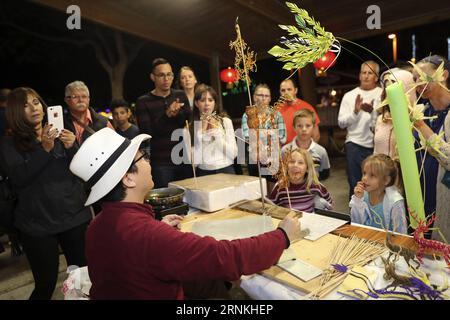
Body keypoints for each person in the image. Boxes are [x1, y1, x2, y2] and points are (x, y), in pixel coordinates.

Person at [69, 127, 301, 300]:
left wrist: (157, 226)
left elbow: (134, 254)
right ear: (128, 178)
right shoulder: (149, 235)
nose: (150, 162)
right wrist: (282, 236)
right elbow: (225, 257)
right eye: (144, 158)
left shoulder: (97, 225)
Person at [0, 87, 91, 299]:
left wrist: (71, 147)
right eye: (25, 105)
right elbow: (19, 178)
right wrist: (44, 149)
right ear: (14, 112)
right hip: (38, 225)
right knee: (46, 283)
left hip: (73, 216)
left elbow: (82, 171)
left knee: (80, 280)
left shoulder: (60, 132)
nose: (34, 108)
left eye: (36, 102)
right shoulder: (8, 144)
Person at [136, 58, 192, 188]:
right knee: (166, 201)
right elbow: (147, 133)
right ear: (152, 77)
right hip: (161, 162)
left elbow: (186, 121)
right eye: (161, 75)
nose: (166, 79)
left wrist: (177, 113)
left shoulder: (180, 95)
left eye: (169, 74)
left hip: (182, 157)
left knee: (189, 198)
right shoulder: (143, 101)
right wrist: (166, 115)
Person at [412, 55, 450, 241]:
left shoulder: (420, 120)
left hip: (444, 200)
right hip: (421, 200)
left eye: (422, 76)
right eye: (414, 78)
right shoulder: (422, 112)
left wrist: (420, 126)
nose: (417, 83)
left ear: (443, 74)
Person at [338, 60, 383, 199]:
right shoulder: (350, 95)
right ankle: (356, 216)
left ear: (376, 77)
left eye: (370, 73)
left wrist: (373, 112)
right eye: (364, 72)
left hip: (376, 146)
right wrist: (355, 112)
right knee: (356, 184)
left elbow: (387, 120)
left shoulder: (382, 94)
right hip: (354, 144)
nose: (366, 76)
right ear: (359, 75)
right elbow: (341, 123)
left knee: (376, 184)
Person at [242, 84, 286, 190]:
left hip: (273, 157)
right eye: (260, 95)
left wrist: (258, 134)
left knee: (274, 188)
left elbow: (282, 137)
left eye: (266, 96)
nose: (263, 98)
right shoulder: (248, 115)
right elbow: (247, 137)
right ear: (254, 97)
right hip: (255, 159)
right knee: (258, 191)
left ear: (270, 98)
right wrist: (270, 134)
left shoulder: (277, 115)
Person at [186, 84, 237, 176]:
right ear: (196, 103)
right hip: (204, 173)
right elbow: (194, 162)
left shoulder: (225, 122)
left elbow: (233, 154)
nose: (207, 103)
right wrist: (200, 135)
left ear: (215, 102)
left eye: (210, 100)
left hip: (227, 170)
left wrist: (217, 136)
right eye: (202, 100)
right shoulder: (189, 128)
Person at [350, 154, 407, 234]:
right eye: (364, 173)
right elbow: (355, 224)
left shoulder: (395, 202)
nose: (365, 178)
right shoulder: (362, 196)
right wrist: (358, 200)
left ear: (386, 180)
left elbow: (401, 234)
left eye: (372, 175)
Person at [270, 148, 332, 213]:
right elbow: (271, 206)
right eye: (292, 162)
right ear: (286, 166)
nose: (295, 165)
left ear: (307, 169)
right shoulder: (280, 186)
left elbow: (328, 201)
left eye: (300, 163)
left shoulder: (314, 185)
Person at [374, 68, 416, 159]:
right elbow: (376, 151)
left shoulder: (417, 120)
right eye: (387, 89)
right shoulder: (381, 119)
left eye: (394, 89)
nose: (390, 94)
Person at [282, 109, 330, 180]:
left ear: (313, 127)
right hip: (291, 189)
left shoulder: (321, 151)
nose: (304, 129)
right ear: (294, 128)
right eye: (299, 126)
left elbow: (325, 173)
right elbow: (283, 172)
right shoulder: (285, 150)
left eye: (308, 126)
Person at [63, 80, 113, 145]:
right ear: (67, 100)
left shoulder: (103, 122)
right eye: (75, 97)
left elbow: (114, 145)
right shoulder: (61, 123)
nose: (80, 100)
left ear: (88, 99)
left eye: (84, 96)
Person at [278, 79, 320, 144]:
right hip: (283, 151)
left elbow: (316, 135)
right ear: (280, 92)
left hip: (302, 151)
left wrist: (306, 152)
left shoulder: (307, 107)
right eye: (283, 90)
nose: (286, 92)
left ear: (295, 90)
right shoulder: (277, 110)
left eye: (289, 89)